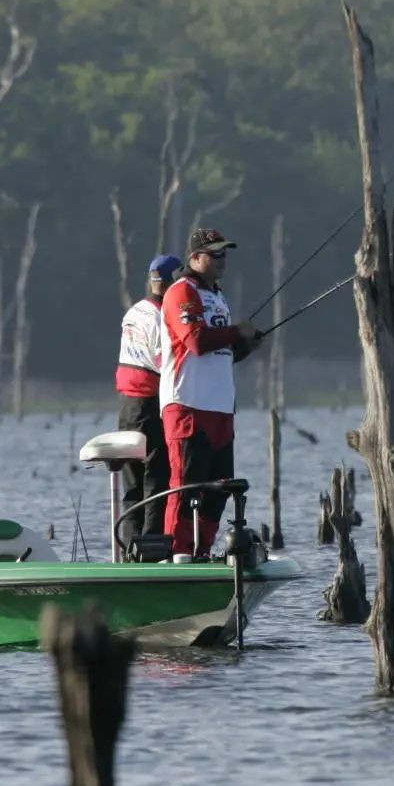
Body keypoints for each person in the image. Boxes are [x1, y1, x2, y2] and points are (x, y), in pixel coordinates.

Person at [159, 229, 263, 558]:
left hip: (220, 408)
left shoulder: (218, 296)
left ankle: (202, 550)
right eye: (215, 254)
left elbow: (223, 354)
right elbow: (197, 342)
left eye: (225, 254)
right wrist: (237, 331)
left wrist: (245, 344)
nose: (222, 260)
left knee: (219, 489)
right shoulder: (182, 292)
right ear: (195, 259)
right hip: (187, 403)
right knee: (188, 483)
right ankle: (179, 553)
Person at [116, 254, 183, 547]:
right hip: (149, 404)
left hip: (127, 407)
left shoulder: (133, 311)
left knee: (132, 485)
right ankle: (152, 548)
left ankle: (130, 548)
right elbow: (163, 361)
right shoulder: (161, 317)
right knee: (156, 479)